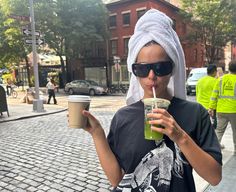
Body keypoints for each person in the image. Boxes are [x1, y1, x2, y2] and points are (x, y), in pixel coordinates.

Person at [81, 9, 222, 191]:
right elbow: (117, 179)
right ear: (134, 72)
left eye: (160, 67)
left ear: (172, 68)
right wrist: (97, 133)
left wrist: (179, 136)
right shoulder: (123, 117)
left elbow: (215, 176)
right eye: (142, 69)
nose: (151, 76)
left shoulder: (195, 114)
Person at [209, 60, 236, 154]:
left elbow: (214, 94)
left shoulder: (220, 79)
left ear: (229, 68)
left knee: (219, 131)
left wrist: (211, 107)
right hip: (234, 110)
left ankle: (214, 148)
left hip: (221, 110)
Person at [196, 64, 217, 129]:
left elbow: (197, 93)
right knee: (213, 126)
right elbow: (216, 95)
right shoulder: (215, 81)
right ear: (214, 72)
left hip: (200, 107)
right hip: (211, 108)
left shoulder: (200, 81)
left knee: (202, 126)